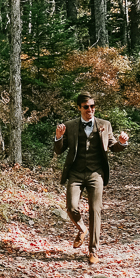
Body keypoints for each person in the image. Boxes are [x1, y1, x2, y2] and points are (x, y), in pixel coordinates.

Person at [54, 93, 129, 264]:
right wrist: (58, 136)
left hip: (96, 173)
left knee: (96, 211)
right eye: (86, 107)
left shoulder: (105, 125)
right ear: (79, 108)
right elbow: (59, 150)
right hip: (76, 172)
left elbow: (112, 147)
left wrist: (122, 143)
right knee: (71, 207)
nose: (90, 110)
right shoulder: (70, 126)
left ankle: (93, 250)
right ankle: (82, 229)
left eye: (93, 106)